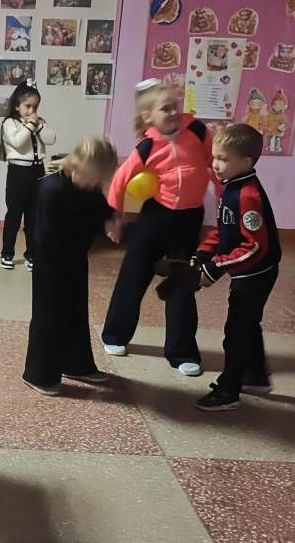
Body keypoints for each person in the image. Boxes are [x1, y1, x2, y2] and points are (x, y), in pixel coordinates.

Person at [101, 79, 216, 376]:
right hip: (155, 219)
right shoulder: (147, 145)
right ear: (148, 116)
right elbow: (119, 181)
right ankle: (114, 334)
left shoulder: (198, 132)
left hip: (188, 221)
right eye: (165, 109)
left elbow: (214, 166)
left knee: (182, 284)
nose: (173, 112)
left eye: (175, 106)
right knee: (133, 277)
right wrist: (114, 217)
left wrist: (224, 201)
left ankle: (182, 351)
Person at [180, 124, 282, 410]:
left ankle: (229, 390)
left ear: (246, 162)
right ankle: (256, 377)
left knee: (237, 331)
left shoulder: (248, 195)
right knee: (247, 324)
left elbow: (254, 246)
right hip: (245, 270)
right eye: (214, 157)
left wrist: (214, 269)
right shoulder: (232, 187)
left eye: (223, 159)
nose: (215, 164)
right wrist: (202, 254)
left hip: (256, 273)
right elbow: (225, 230)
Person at [21, 137, 118, 396]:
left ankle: (76, 364)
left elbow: (99, 206)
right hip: (51, 262)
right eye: (94, 177)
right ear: (77, 164)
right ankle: (38, 374)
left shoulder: (87, 186)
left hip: (74, 256)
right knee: (49, 316)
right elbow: (46, 235)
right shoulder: (52, 189)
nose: (95, 184)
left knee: (76, 311)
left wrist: (110, 220)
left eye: (99, 179)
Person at [0, 81, 58, 271]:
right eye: (28, 106)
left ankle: (32, 254)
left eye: (35, 107)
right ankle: (7, 253)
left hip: (37, 172)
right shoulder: (9, 123)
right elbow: (18, 142)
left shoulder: (39, 123)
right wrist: (30, 126)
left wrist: (38, 126)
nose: (32, 111)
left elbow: (51, 139)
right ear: (17, 106)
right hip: (18, 173)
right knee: (14, 215)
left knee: (34, 217)